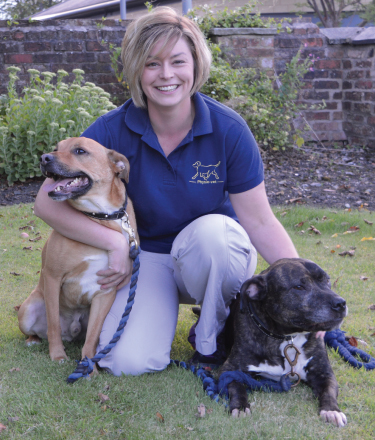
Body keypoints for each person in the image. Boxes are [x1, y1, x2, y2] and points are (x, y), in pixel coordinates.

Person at [34, 7, 299, 376]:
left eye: (177, 61)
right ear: (136, 70)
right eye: (152, 63)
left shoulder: (229, 130)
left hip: (212, 258)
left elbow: (260, 220)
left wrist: (303, 289)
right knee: (126, 362)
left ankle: (211, 340)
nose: (166, 75)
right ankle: (154, 317)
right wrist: (115, 245)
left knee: (214, 237)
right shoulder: (110, 130)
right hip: (147, 260)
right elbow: (45, 203)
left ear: (196, 65)